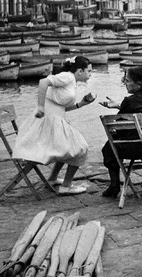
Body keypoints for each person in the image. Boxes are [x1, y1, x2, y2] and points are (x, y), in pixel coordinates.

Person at [13, 56, 95, 195]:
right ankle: (66, 186)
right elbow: (43, 82)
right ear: (80, 71)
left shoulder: (72, 81)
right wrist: (40, 106)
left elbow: (61, 107)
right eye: (89, 71)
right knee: (81, 148)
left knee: (71, 147)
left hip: (55, 120)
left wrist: (81, 103)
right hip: (47, 122)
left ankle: (52, 179)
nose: (90, 74)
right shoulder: (67, 77)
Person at [99, 66, 142, 198]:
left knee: (109, 147)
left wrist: (114, 132)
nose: (124, 83)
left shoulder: (130, 101)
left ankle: (114, 186)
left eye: (127, 80)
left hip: (139, 148)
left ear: (139, 83)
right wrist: (119, 105)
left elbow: (120, 127)